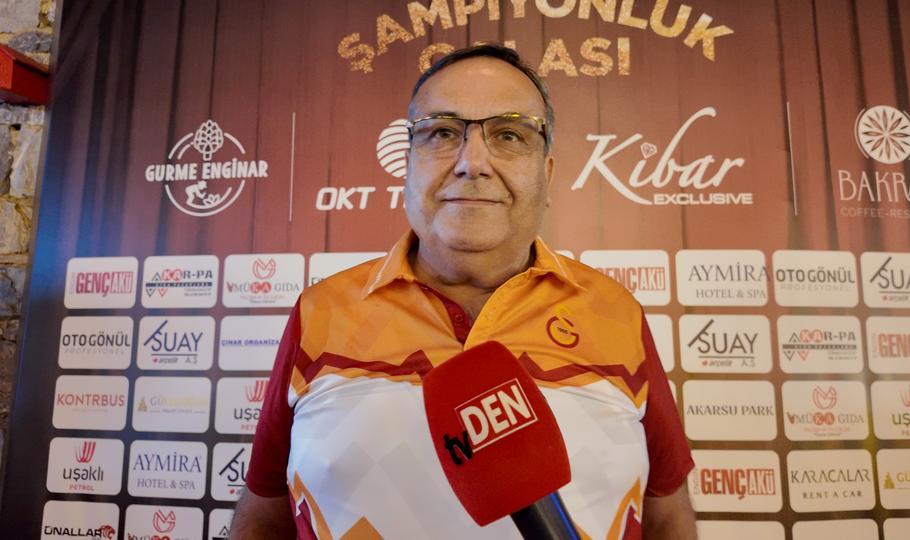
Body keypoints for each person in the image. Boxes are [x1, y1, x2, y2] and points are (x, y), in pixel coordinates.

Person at [231, 43, 695, 539]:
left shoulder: (617, 313)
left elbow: (667, 517)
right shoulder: (319, 311)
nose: (472, 163)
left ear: (547, 174)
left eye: (509, 134)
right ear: (407, 165)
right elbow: (263, 518)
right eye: (442, 132)